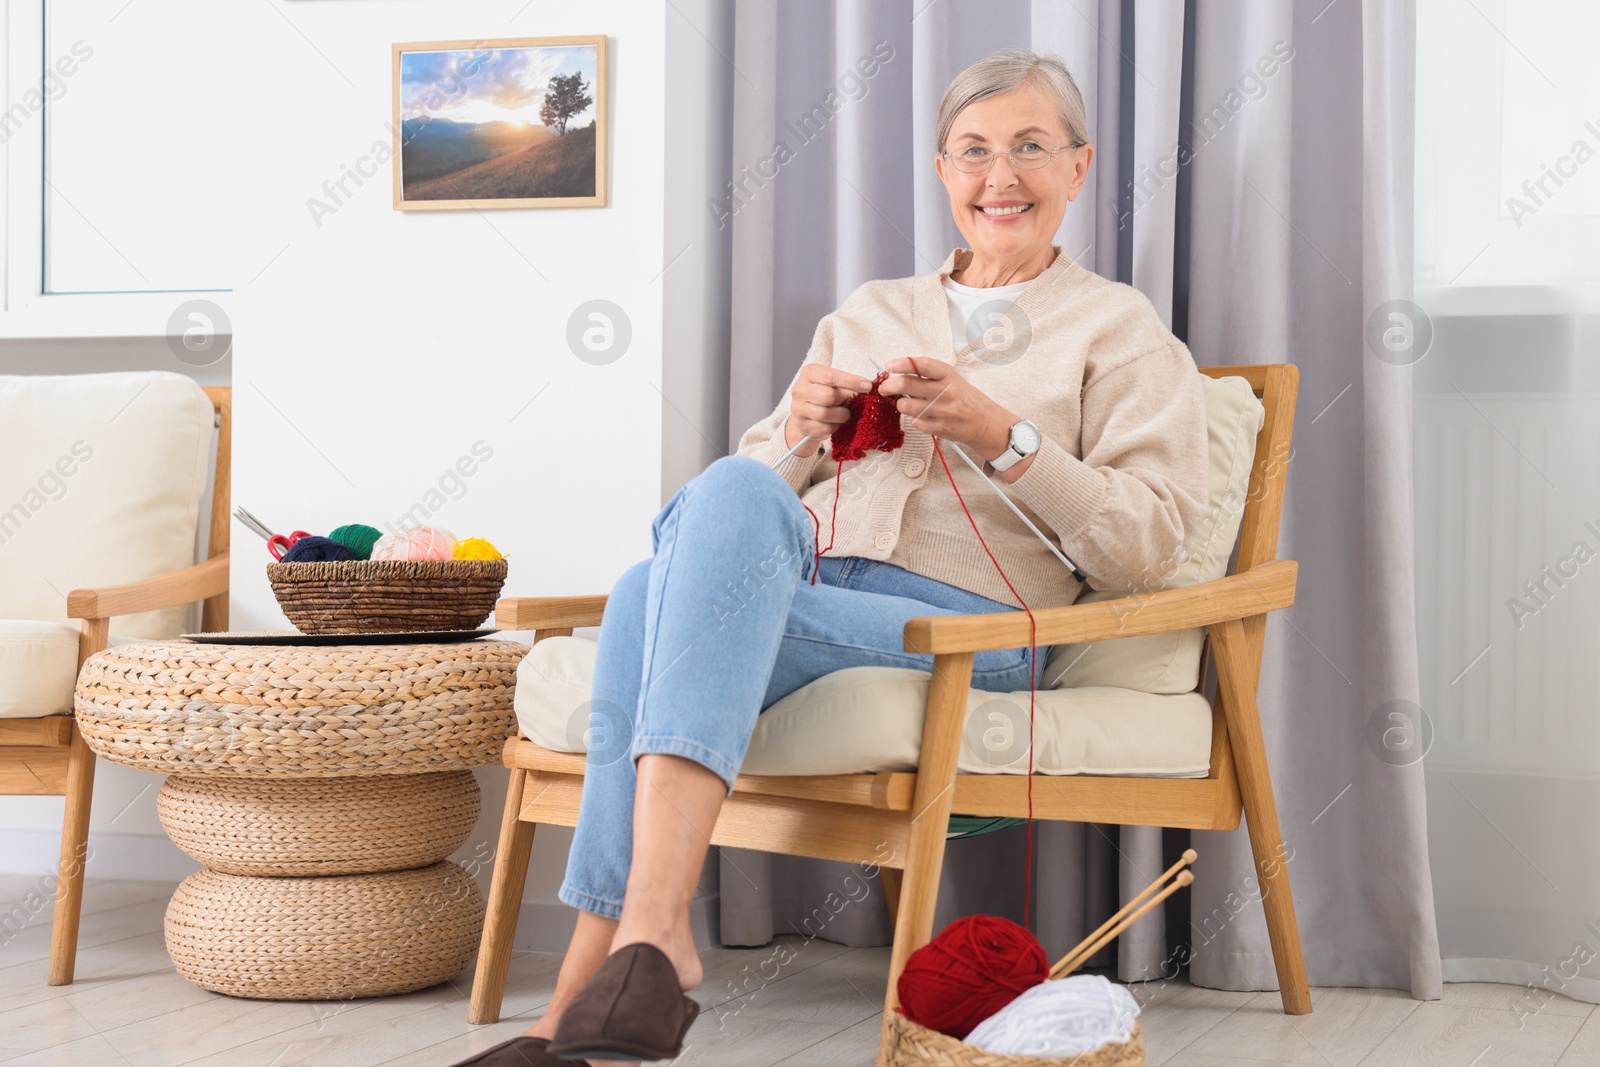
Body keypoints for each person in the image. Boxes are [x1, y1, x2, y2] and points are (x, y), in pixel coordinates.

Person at [453, 47, 1209, 1067]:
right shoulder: (871, 309)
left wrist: (1003, 434)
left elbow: (1148, 538)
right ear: (942, 171)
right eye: (974, 151)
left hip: (962, 630)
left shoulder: (1120, 329)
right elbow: (739, 506)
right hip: (803, 594)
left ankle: (585, 991)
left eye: (1030, 148)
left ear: (1077, 167)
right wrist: (800, 433)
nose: (1001, 177)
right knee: (717, 501)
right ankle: (636, 953)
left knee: (645, 597)